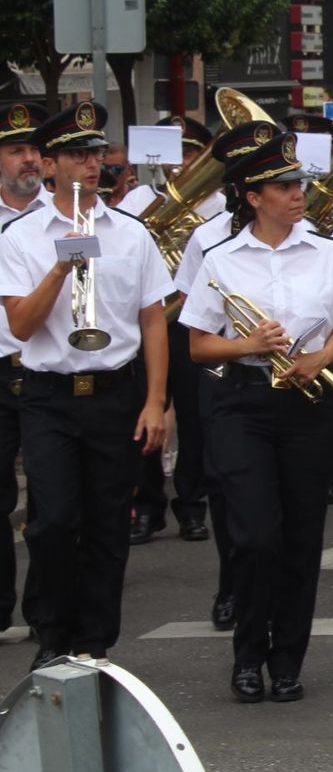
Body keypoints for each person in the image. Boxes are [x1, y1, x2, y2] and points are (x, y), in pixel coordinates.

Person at [180, 130, 333, 703]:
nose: (296, 194)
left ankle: (287, 660)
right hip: (243, 404)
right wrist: (250, 345)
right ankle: (247, 653)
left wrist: (319, 359)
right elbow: (199, 346)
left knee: (302, 536)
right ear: (252, 196)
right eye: (283, 187)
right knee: (256, 535)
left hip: (306, 406)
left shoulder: (328, 253)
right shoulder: (220, 259)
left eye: (298, 184)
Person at [0, 101, 172, 670]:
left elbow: (152, 320)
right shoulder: (19, 236)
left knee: (106, 524)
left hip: (115, 392)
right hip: (49, 394)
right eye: (77, 155)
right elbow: (22, 325)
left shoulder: (131, 233)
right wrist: (60, 265)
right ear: (49, 165)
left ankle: (94, 641)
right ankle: (53, 632)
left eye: (96, 154)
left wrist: (155, 401)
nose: (92, 165)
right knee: (50, 520)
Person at [172, 121, 286, 634]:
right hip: (223, 370)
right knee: (223, 484)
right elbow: (190, 313)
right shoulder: (207, 236)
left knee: (275, 497)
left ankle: (268, 592)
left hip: (287, 376)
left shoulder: (299, 230)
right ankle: (231, 583)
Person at [126, 114, 223, 547]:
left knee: (195, 416)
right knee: (144, 414)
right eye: (174, 153)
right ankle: (147, 507)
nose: (181, 162)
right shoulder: (137, 201)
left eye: (189, 152)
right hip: (149, 322)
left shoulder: (219, 206)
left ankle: (191, 506)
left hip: (192, 322)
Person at [0, 101, 50, 637]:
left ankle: (44, 611)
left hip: (43, 365)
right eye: (16, 150)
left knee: (50, 499)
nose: (29, 160)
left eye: (34, 150)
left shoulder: (65, 215)